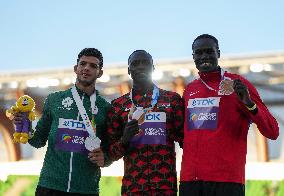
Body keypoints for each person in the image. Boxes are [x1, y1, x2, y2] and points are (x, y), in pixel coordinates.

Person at [179, 34, 279, 196]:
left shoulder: (238, 84)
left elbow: (272, 131)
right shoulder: (190, 90)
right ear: (193, 57)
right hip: (190, 181)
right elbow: (186, 135)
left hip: (226, 181)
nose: (204, 56)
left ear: (218, 53)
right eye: (199, 53)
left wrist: (249, 104)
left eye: (209, 51)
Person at [13, 48, 111, 196]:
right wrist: (24, 125)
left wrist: (106, 158)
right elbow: (38, 140)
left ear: (100, 73)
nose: (86, 68)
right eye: (82, 64)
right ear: (75, 68)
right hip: (50, 185)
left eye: (93, 66)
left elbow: (110, 147)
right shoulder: (54, 100)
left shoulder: (105, 108)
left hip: (86, 188)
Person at [107, 50, 184, 196]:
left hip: (165, 187)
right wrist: (124, 140)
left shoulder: (172, 100)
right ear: (129, 70)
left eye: (146, 63)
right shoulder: (118, 106)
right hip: (133, 187)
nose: (141, 67)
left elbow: (186, 141)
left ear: (153, 68)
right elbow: (110, 154)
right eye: (135, 64)